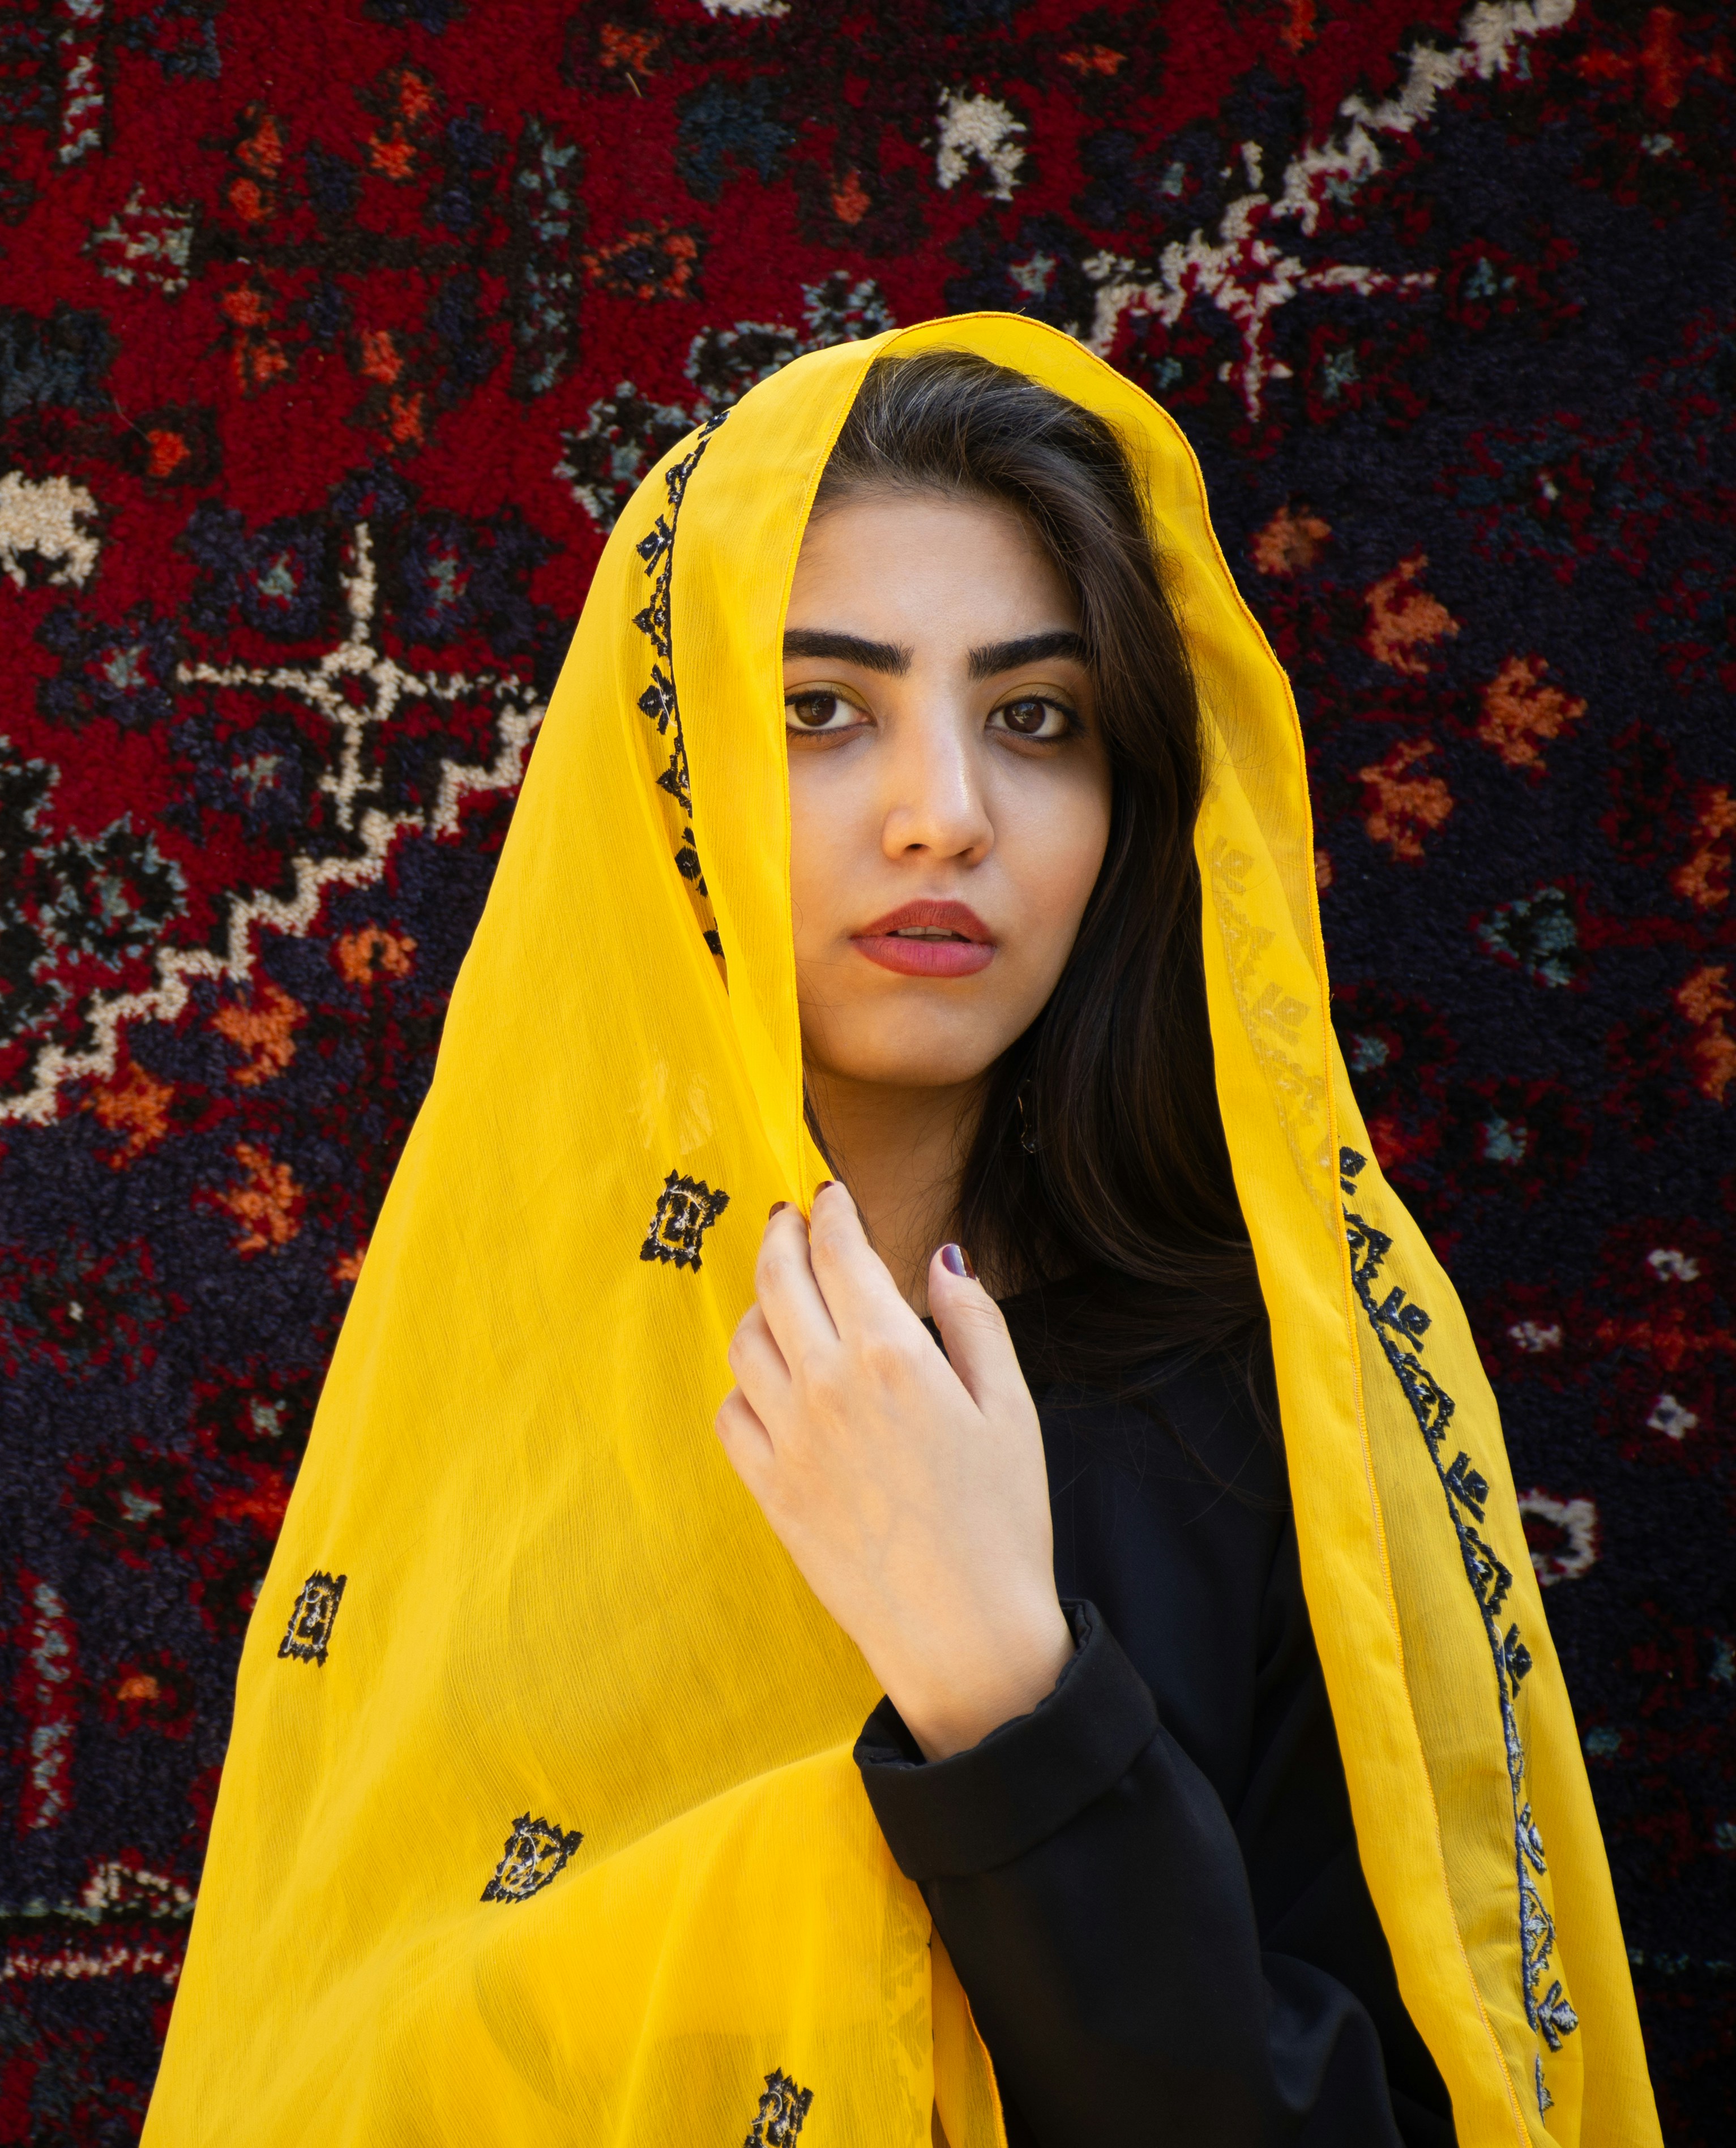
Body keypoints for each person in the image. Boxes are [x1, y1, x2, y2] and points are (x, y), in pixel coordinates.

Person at [139, 319, 1657, 2146]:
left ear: (1132, 806)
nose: (942, 812)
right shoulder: (491, 1406)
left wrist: (1001, 1685)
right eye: (818, 710)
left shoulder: (1280, 1418)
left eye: (1037, 719)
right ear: (674, 776)